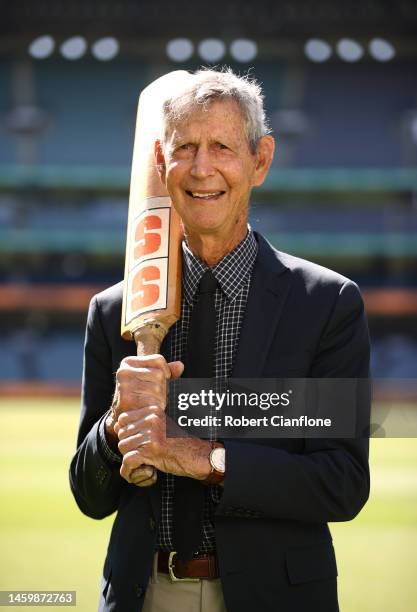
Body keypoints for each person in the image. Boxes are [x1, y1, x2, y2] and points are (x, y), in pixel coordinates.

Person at [70, 68, 370, 612]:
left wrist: (201, 459)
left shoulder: (325, 304)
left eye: (222, 147)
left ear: (261, 160)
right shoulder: (117, 310)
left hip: (273, 597)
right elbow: (89, 497)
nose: (202, 168)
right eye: (184, 147)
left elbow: (341, 484)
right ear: (160, 162)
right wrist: (116, 430)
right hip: (145, 594)